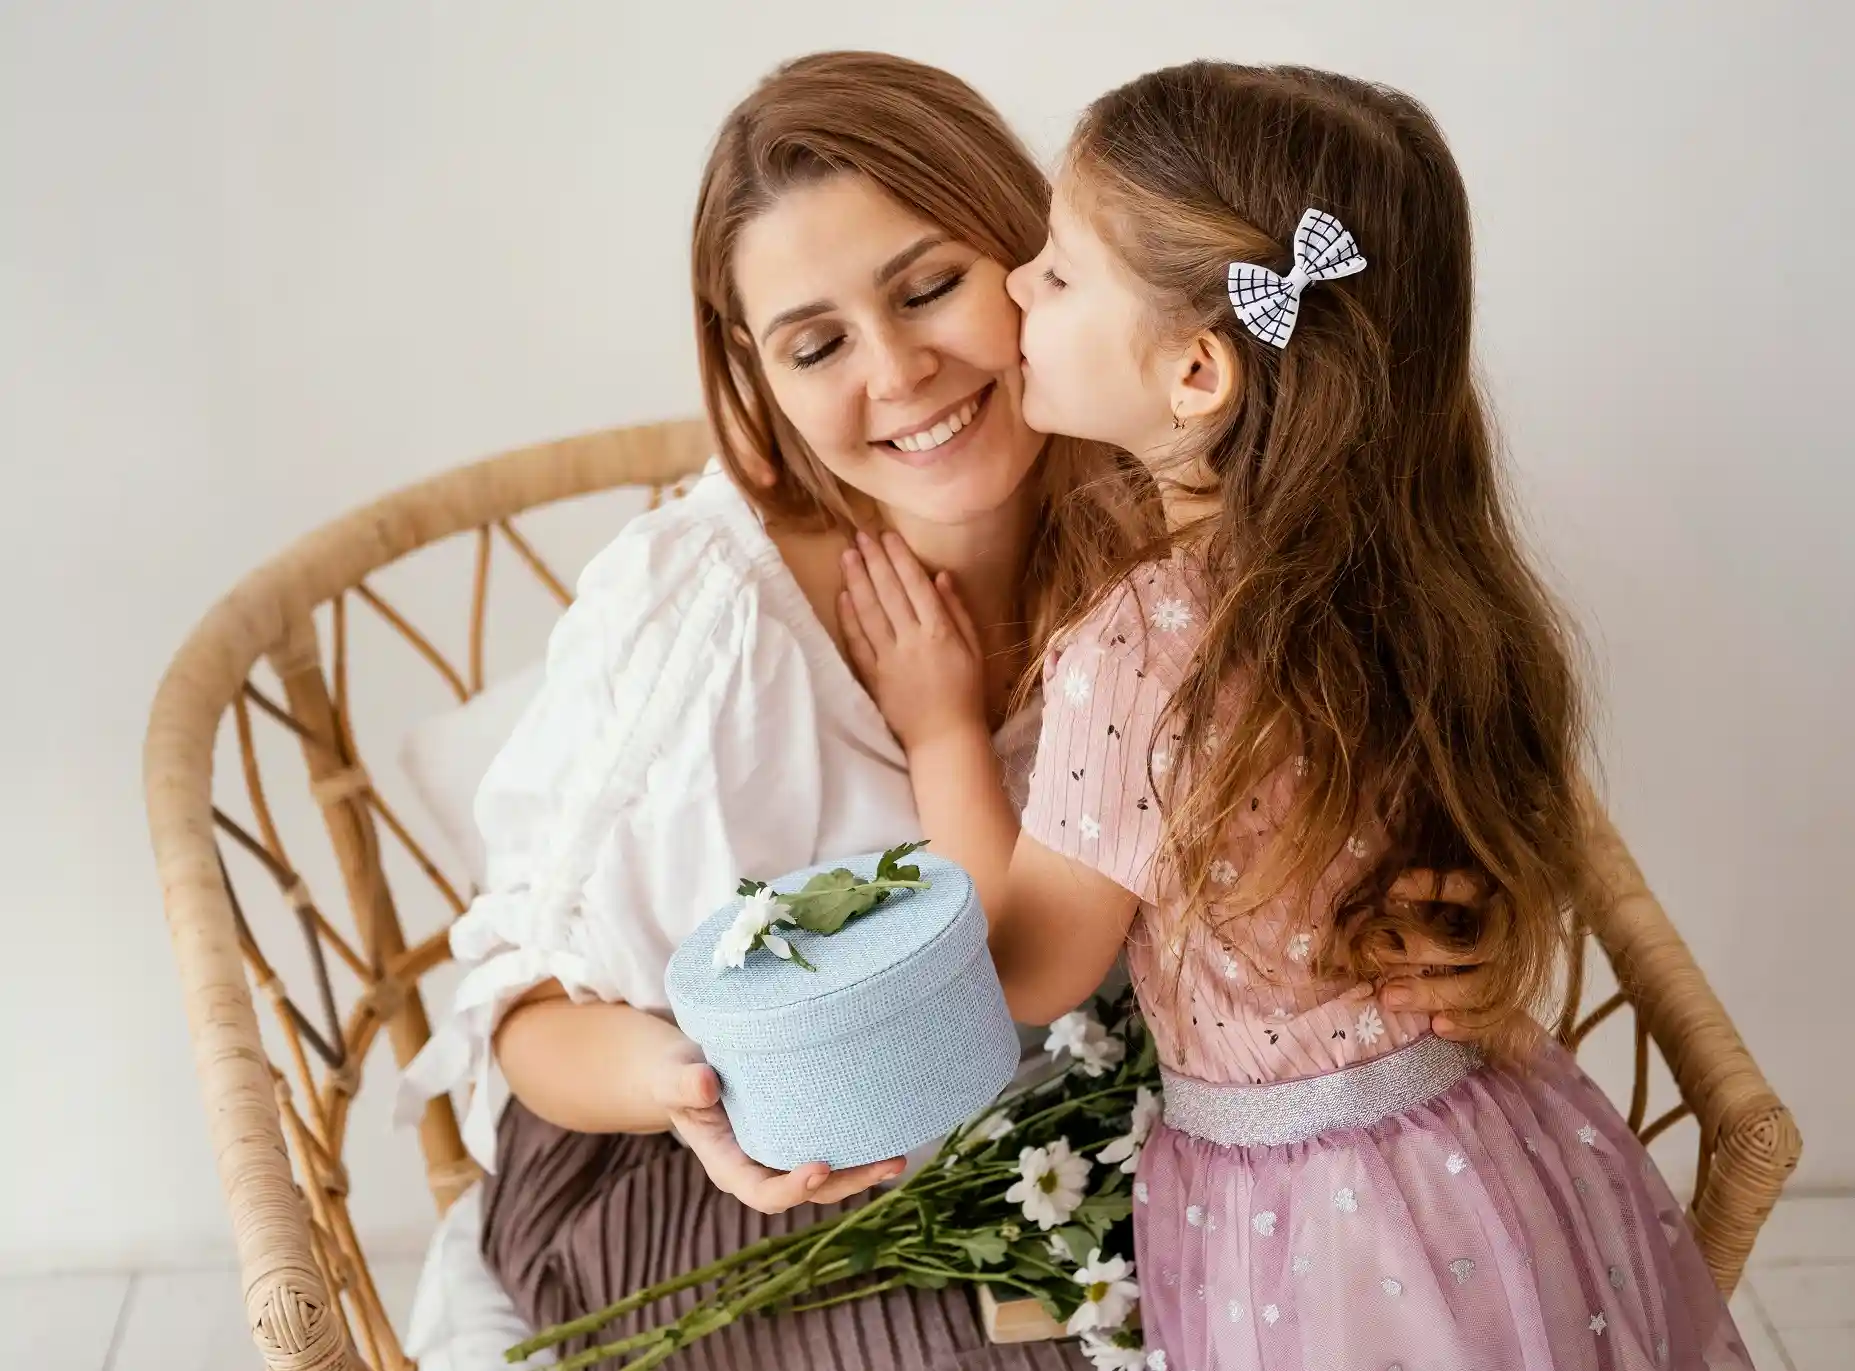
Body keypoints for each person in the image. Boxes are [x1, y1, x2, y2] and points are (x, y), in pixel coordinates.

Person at [397, 52, 1512, 1371]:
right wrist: (687, 1087)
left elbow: (1334, 803)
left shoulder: (1189, 529)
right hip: (687, 1168)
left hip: (1041, 1124)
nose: (900, 372)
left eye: (932, 286)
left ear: (1042, 258)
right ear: (756, 375)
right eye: (817, 346)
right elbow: (521, 1016)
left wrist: (1463, 938)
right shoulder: (703, 614)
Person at [841, 61, 1752, 1370]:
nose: (1014, 288)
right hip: (1497, 1155)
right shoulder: (1420, 581)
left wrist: (938, 729)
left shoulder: (1144, 645)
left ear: (1200, 370)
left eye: (1057, 268)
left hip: (1316, 1223)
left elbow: (1032, 967)